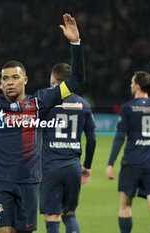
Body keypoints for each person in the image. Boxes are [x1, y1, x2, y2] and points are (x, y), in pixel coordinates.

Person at [0, 9, 86, 233]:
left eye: (14, 77)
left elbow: (77, 80)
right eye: (5, 78)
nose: (9, 82)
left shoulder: (41, 102)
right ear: (0, 83)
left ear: (25, 80)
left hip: (29, 182)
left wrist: (76, 44)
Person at [105, 71, 150, 233]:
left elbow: (120, 137)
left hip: (131, 165)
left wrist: (110, 163)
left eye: (132, 83)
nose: (131, 85)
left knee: (125, 205)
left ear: (138, 86)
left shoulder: (127, 108)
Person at [39, 63, 96, 233]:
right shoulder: (83, 104)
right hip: (73, 166)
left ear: (53, 80)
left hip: (50, 166)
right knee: (70, 214)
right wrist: (87, 166)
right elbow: (92, 139)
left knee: (52, 216)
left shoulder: (44, 101)